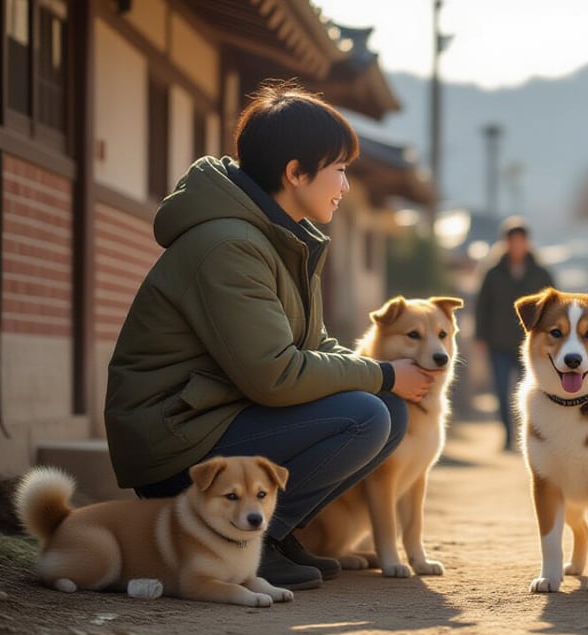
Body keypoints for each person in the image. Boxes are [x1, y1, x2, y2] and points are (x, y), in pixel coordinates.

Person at [104, 81, 435, 591]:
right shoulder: (230, 246)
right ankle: (248, 542)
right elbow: (275, 375)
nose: (345, 187)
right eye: (339, 171)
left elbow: (315, 346)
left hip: (216, 416)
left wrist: (381, 377)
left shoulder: (283, 239)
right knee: (367, 413)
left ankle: (272, 538)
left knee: (385, 411)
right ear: (295, 172)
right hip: (176, 441)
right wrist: (386, 373)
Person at [475, 216, 554, 451]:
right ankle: (508, 436)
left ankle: (528, 434)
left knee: (531, 390)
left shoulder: (541, 273)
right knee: (501, 391)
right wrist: (480, 337)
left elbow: (554, 307)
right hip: (498, 342)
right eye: (513, 241)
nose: (517, 245)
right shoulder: (493, 273)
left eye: (521, 241)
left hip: (531, 345)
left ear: (527, 243)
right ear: (506, 243)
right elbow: (483, 307)